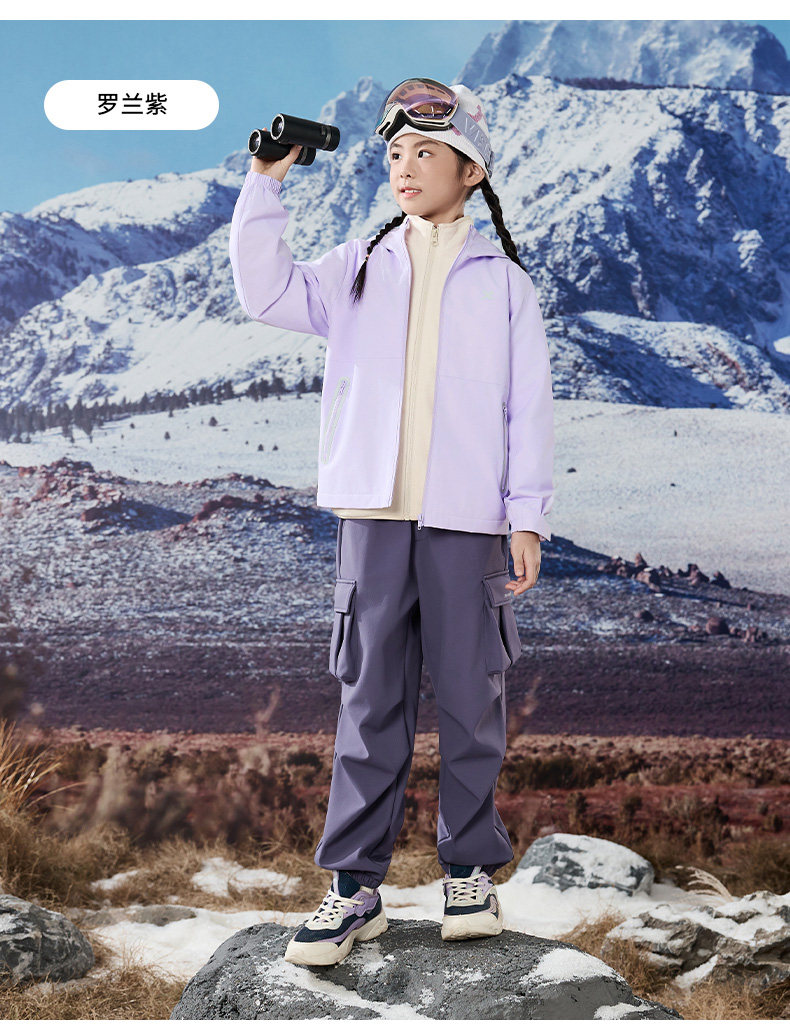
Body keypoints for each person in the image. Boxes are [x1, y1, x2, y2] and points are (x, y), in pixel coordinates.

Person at [228, 78, 555, 967]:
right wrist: (265, 183)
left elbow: (528, 409)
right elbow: (264, 292)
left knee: (472, 702)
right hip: (371, 516)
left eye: (426, 153)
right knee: (369, 702)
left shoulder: (505, 285)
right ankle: (353, 887)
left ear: (471, 170)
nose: (405, 168)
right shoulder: (356, 265)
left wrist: (525, 518)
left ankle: (470, 872)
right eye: (396, 154)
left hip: (467, 523)